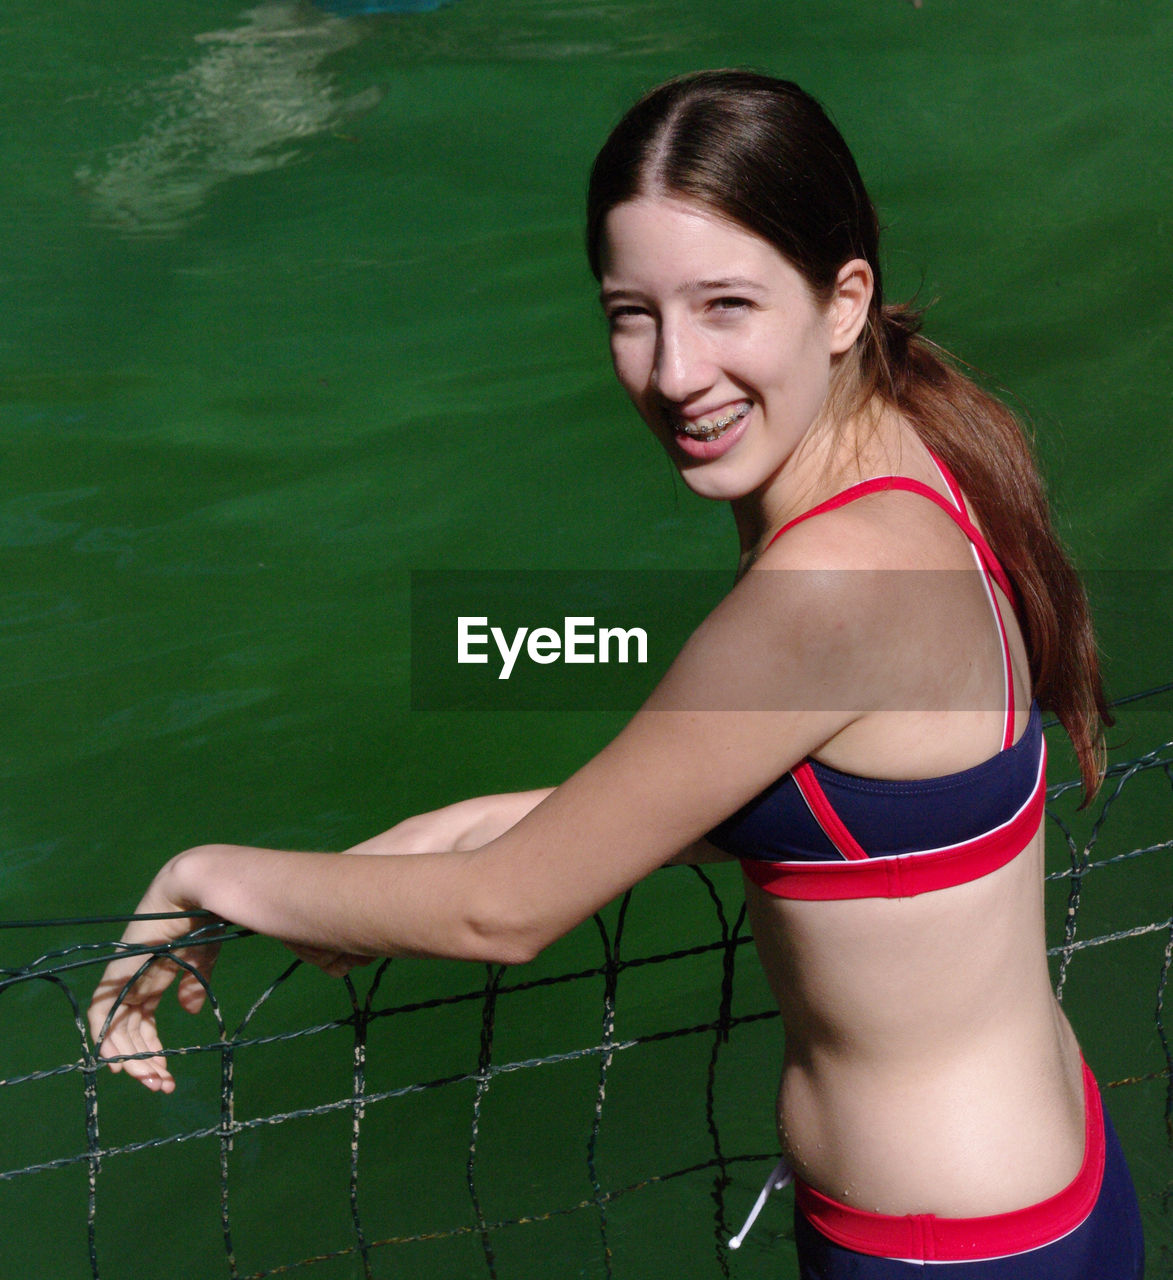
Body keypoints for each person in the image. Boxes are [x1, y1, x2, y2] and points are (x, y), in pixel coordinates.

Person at [88, 70, 1144, 1277]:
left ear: (843, 299)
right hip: (1057, 1185)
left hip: (948, 1253)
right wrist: (459, 828)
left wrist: (207, 874)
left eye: (727, 304)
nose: (676, 369)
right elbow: (823, 788)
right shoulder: (914, 460)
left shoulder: (824, 587)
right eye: (630, 312)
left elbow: (505, 910)